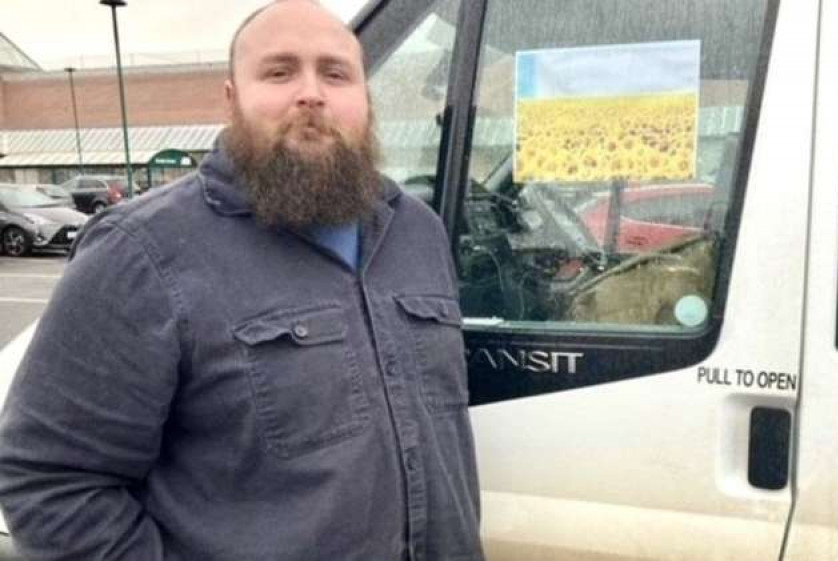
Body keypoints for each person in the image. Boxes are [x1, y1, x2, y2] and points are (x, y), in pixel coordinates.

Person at [0, 1, 484, 559]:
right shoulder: (140, 252)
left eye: (335, 73)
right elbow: (50, 481)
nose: (311, 93)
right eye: (279, 72)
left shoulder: (417, 232)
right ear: (231, 99)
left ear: (364, 98)